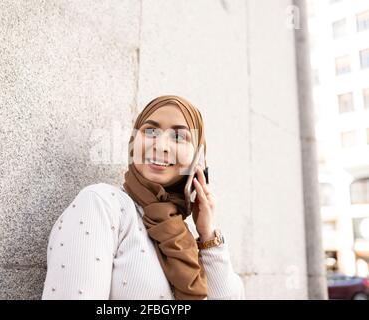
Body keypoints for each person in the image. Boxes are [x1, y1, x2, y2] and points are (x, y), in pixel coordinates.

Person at [42, 95, 245, 300]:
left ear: (197, 159)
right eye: (150, 131)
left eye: (179, 136)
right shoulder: (102, 204)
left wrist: (208, 235)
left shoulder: (183, 236)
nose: (160, 145)